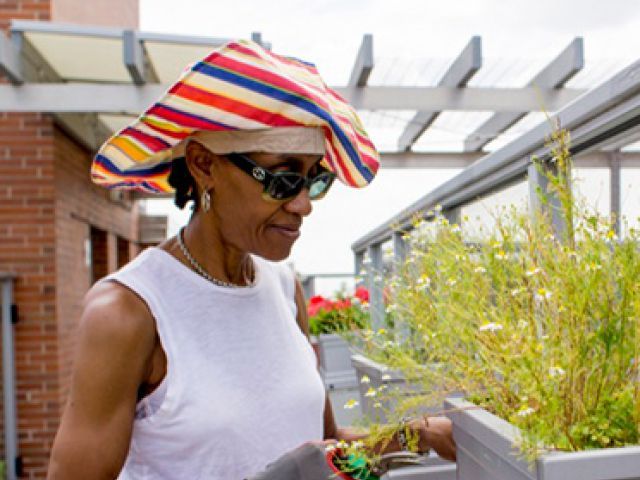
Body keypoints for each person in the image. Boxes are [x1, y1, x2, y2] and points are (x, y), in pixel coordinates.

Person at [47, 39, 455, 479]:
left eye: (315, 181)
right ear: (204, 165)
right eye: (282, 179)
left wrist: (417, 435)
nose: (303, 204)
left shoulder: (282, 286)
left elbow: (327, 455)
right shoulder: (131, 311)